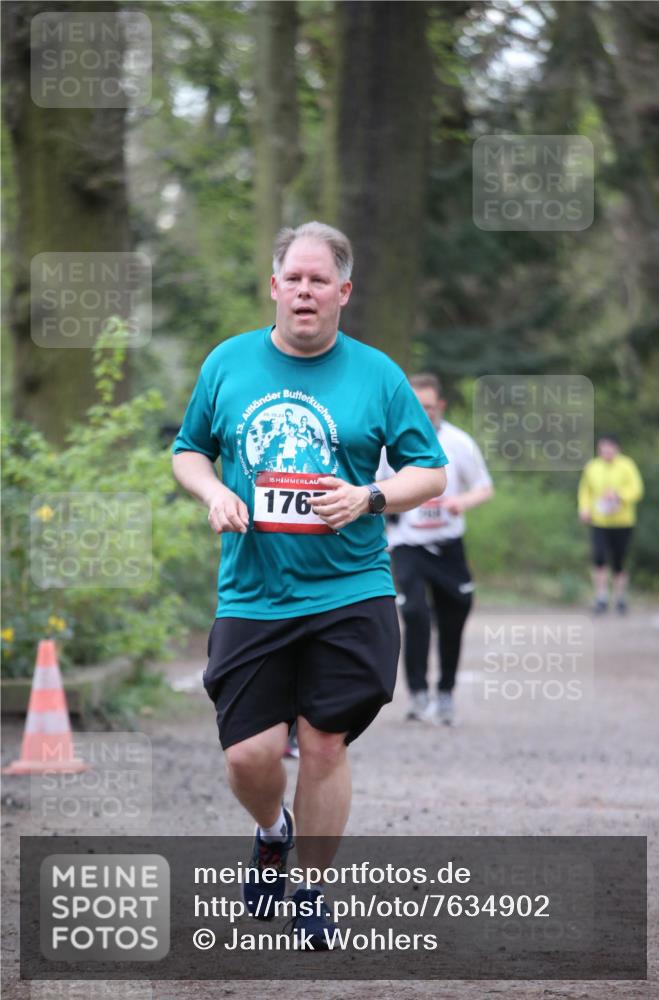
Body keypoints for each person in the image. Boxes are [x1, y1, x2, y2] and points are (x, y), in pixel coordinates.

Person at [171, 221, 447, 947]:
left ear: (343, 292)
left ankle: (312, 891)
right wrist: (213, 492)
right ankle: (273, 830)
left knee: (324, 744)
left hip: (350, 588)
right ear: (273, 286)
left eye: (318, 280)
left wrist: (370, 497)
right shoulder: (228, 363)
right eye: (292, 278)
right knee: (249, 755)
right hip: (254, 592)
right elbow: (189, 450)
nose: (303, 290)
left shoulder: (377, 375)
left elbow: (430, 471)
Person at [379, 374, 493, 725]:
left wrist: (461, 502)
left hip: (448, 546)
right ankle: (418, 693)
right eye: (416, 406)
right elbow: (373, 489)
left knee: (454, 614)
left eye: (428, 407)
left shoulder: (459, 443)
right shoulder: (389, 444)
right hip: (407, 545)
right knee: (414, 613)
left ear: (440, 406)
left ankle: (445, 691)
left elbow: (484, 487)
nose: (422, 412)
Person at [578, 434, 644, 614]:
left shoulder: (627, 465)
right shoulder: (592, 467)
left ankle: (620, 597)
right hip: (599, 521)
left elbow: (637, 489)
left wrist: (619, 495)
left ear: (617, 448)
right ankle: (601, 597)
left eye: (609, 448)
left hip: (622, 522)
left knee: (618, 560)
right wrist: (584, 508)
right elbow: (585, 490)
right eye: (602, 448)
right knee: (599, 557)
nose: (605, 451)